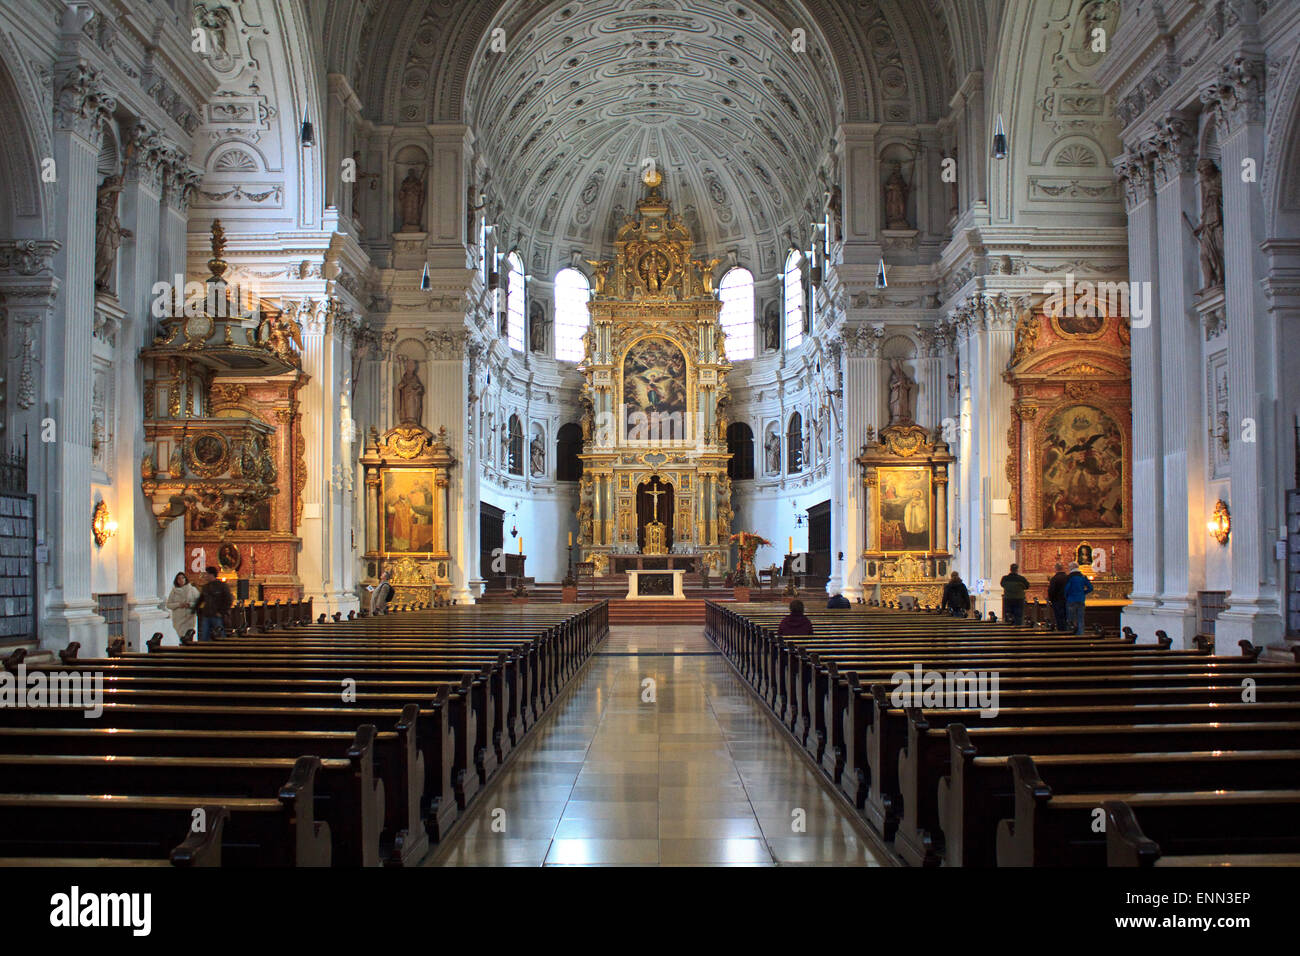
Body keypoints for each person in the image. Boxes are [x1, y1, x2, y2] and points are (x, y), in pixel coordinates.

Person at [195, 566, 233, 642]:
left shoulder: (222, 586)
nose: (204, 576)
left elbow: (228, 600)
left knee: (220, 636)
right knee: (204, 637)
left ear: (211, 575)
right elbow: (201, 599)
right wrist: (195, 609)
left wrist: (222, 612)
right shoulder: (205, 587)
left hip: (217, 615)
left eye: (206, 574)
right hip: (207, 614)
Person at [165, 571, 199, 641]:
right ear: (176, 581)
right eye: (179, 579)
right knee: (182, 637)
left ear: (185, 579)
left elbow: (198, 602)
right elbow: (168, 605)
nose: (181, 580)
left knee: (189, 636)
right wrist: (179, 604)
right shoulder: (174, 591)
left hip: (189, 617)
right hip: (178, 618)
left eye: (182, 578)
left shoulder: (192, 590)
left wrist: (189, 604)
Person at [1063, 562, 1094, 635]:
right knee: (1080, 619)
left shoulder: (1070, 577)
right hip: (1080, 599)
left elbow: (1067, 588)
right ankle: (1080, 634)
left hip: (1071, 600)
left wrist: (1066, 595)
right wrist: (1083, 592)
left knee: (1071, 619)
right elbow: (1090, 588)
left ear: (1071, 568)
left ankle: (1071, 634)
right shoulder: (1082, 577)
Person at [1046, 563, 1070, 630]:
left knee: (1059, 617)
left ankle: (1061, 630)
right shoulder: (1068, 577)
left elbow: (1052, 591)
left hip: (1057, 600)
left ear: (1056, 569)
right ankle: (1067, 630)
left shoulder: (1055, 578)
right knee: (1066, 616)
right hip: (1067, 600)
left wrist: (1051, 599)